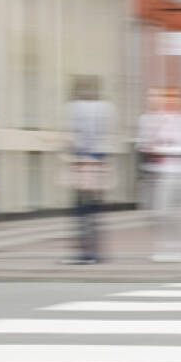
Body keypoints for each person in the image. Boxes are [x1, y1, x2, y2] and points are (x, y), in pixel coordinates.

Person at [138, 86, 181, 263]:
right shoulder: (157, 120)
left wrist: (166, 148)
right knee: (161, 212)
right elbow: (144, 143)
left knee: (178, 212)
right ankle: (163, 246)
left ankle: (179, 247)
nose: (171, 101)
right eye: (169, 98)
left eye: (175, 98)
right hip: (161, 173)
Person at [63, 76, 113, 265]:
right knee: (93, 210)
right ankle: (94, 251)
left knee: (82, 210)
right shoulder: (105, 108)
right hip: (98, 163)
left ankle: (86, 252)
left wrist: (76, 156)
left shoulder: (74, 108)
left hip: (84, 164)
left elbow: (74, 137)